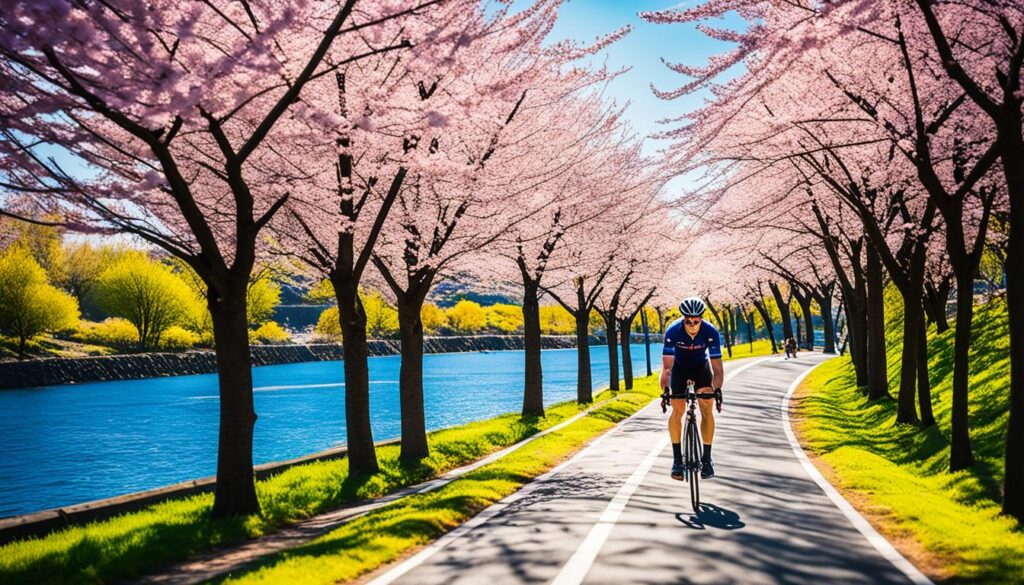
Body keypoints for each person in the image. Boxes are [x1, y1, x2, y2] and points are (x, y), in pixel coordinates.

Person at [659, 297, 724, 480]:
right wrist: (666, 390)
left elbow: (717, 368)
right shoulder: (673, 331)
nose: (693, 325)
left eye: (696, 322)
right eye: (688, 321)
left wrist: (716, 389)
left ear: (701, 319)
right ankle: (677, 460)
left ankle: (707, 459)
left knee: (706, 408)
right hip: (679, 369)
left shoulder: (711, 332)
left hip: (700, 368)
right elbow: (667, 368)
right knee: (677, 410)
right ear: (683, 319)